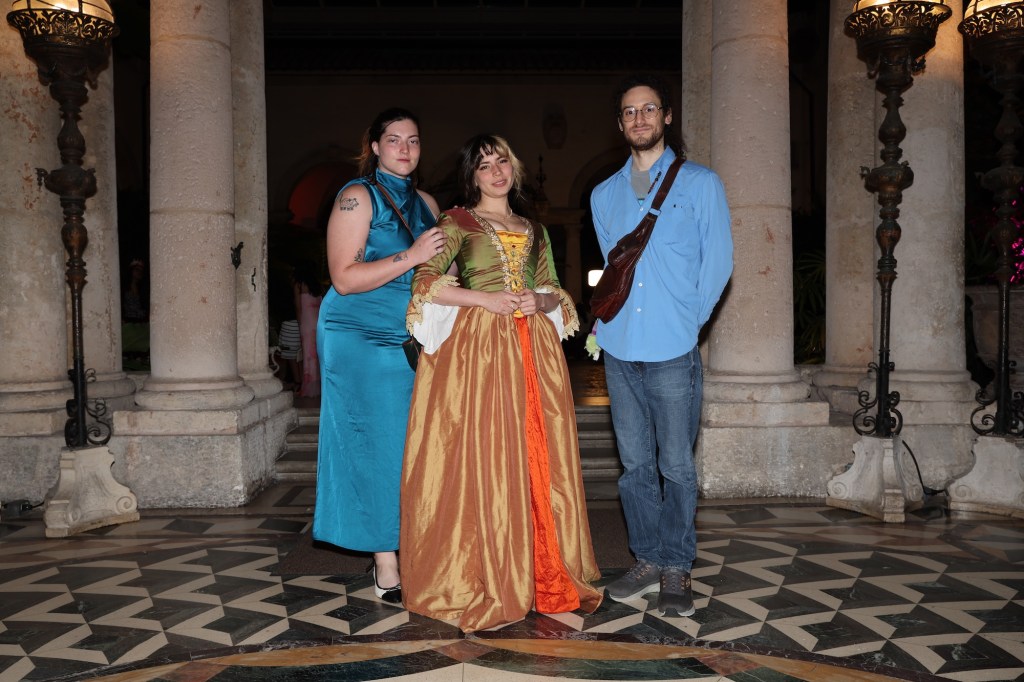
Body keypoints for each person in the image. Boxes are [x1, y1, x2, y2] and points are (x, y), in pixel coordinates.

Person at [400, 134, 602, 632]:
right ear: (473, 176)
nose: (496, 172)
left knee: (537, 453)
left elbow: (555, 290)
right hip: (481, 352)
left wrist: (541, 301)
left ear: (515, 168)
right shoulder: (457, 222)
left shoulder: (535, 228)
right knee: (489, 453)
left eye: (502, 162)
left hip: (532, 350)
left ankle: (542, 570)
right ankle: (486, 572)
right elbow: (425, 285)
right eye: (485, 165)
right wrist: (484, 300)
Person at [589, 74, 733, 617]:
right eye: (630, 111)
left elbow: (718, 263)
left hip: (673, 348)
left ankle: (677, 565)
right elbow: (615, 269)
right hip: (620, 347)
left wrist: (688, 322)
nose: (640, 118)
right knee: (634, 467)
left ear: (667, 116)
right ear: (619, 123)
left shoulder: (701, 184)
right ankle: (646, 558)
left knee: (676, 465)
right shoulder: (603, 194)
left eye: (649, 109)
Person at [312, 108, 443, 604]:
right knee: (377, 444)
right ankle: (386, 560)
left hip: (411, 334)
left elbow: (434, 275)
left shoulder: (427, 202)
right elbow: (344, 278)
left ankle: (413, 542)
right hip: (358, 334)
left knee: (412, 445)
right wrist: (413, 255)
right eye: (394, 140)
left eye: (413, 140)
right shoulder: (356, 196)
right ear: (374, 147)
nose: (405, 149)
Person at [292, 259, 324, 398]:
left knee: (308, 355)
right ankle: (319, 387)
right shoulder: (318, 286)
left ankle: (309, 388)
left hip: (307, 324)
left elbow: (298, 308)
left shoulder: (299, 285)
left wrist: (300, 325)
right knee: (318, 355)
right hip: (319, 324)